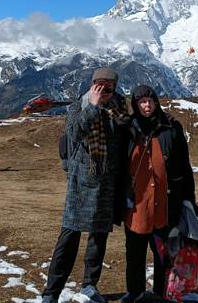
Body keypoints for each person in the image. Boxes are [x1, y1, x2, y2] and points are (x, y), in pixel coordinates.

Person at [41, 67, 130, 303]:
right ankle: (51, 292)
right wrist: (93, 106)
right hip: (81, 182)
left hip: (107, 183)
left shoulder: (120, 108)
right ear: (92, 85)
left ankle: (90, 285)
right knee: (69, 237)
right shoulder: (79, 106)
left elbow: (133, 131)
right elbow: (73, 132)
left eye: (109, 88)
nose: (105, 92)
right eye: (100, 86)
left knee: (98, 239)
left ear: (116, 87)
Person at [121, 85, 198, 303]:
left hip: (165, 206)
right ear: (135, 105)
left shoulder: (171, 127)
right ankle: (134, 292)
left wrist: (190, 200)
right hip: (136, 206)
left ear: (156, 102)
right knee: (134, 254)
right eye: (142, 102)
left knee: (163, 254)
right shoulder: (127, 129)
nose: (147, 106)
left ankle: (161, 292)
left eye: (150, 101)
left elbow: (185, 166)